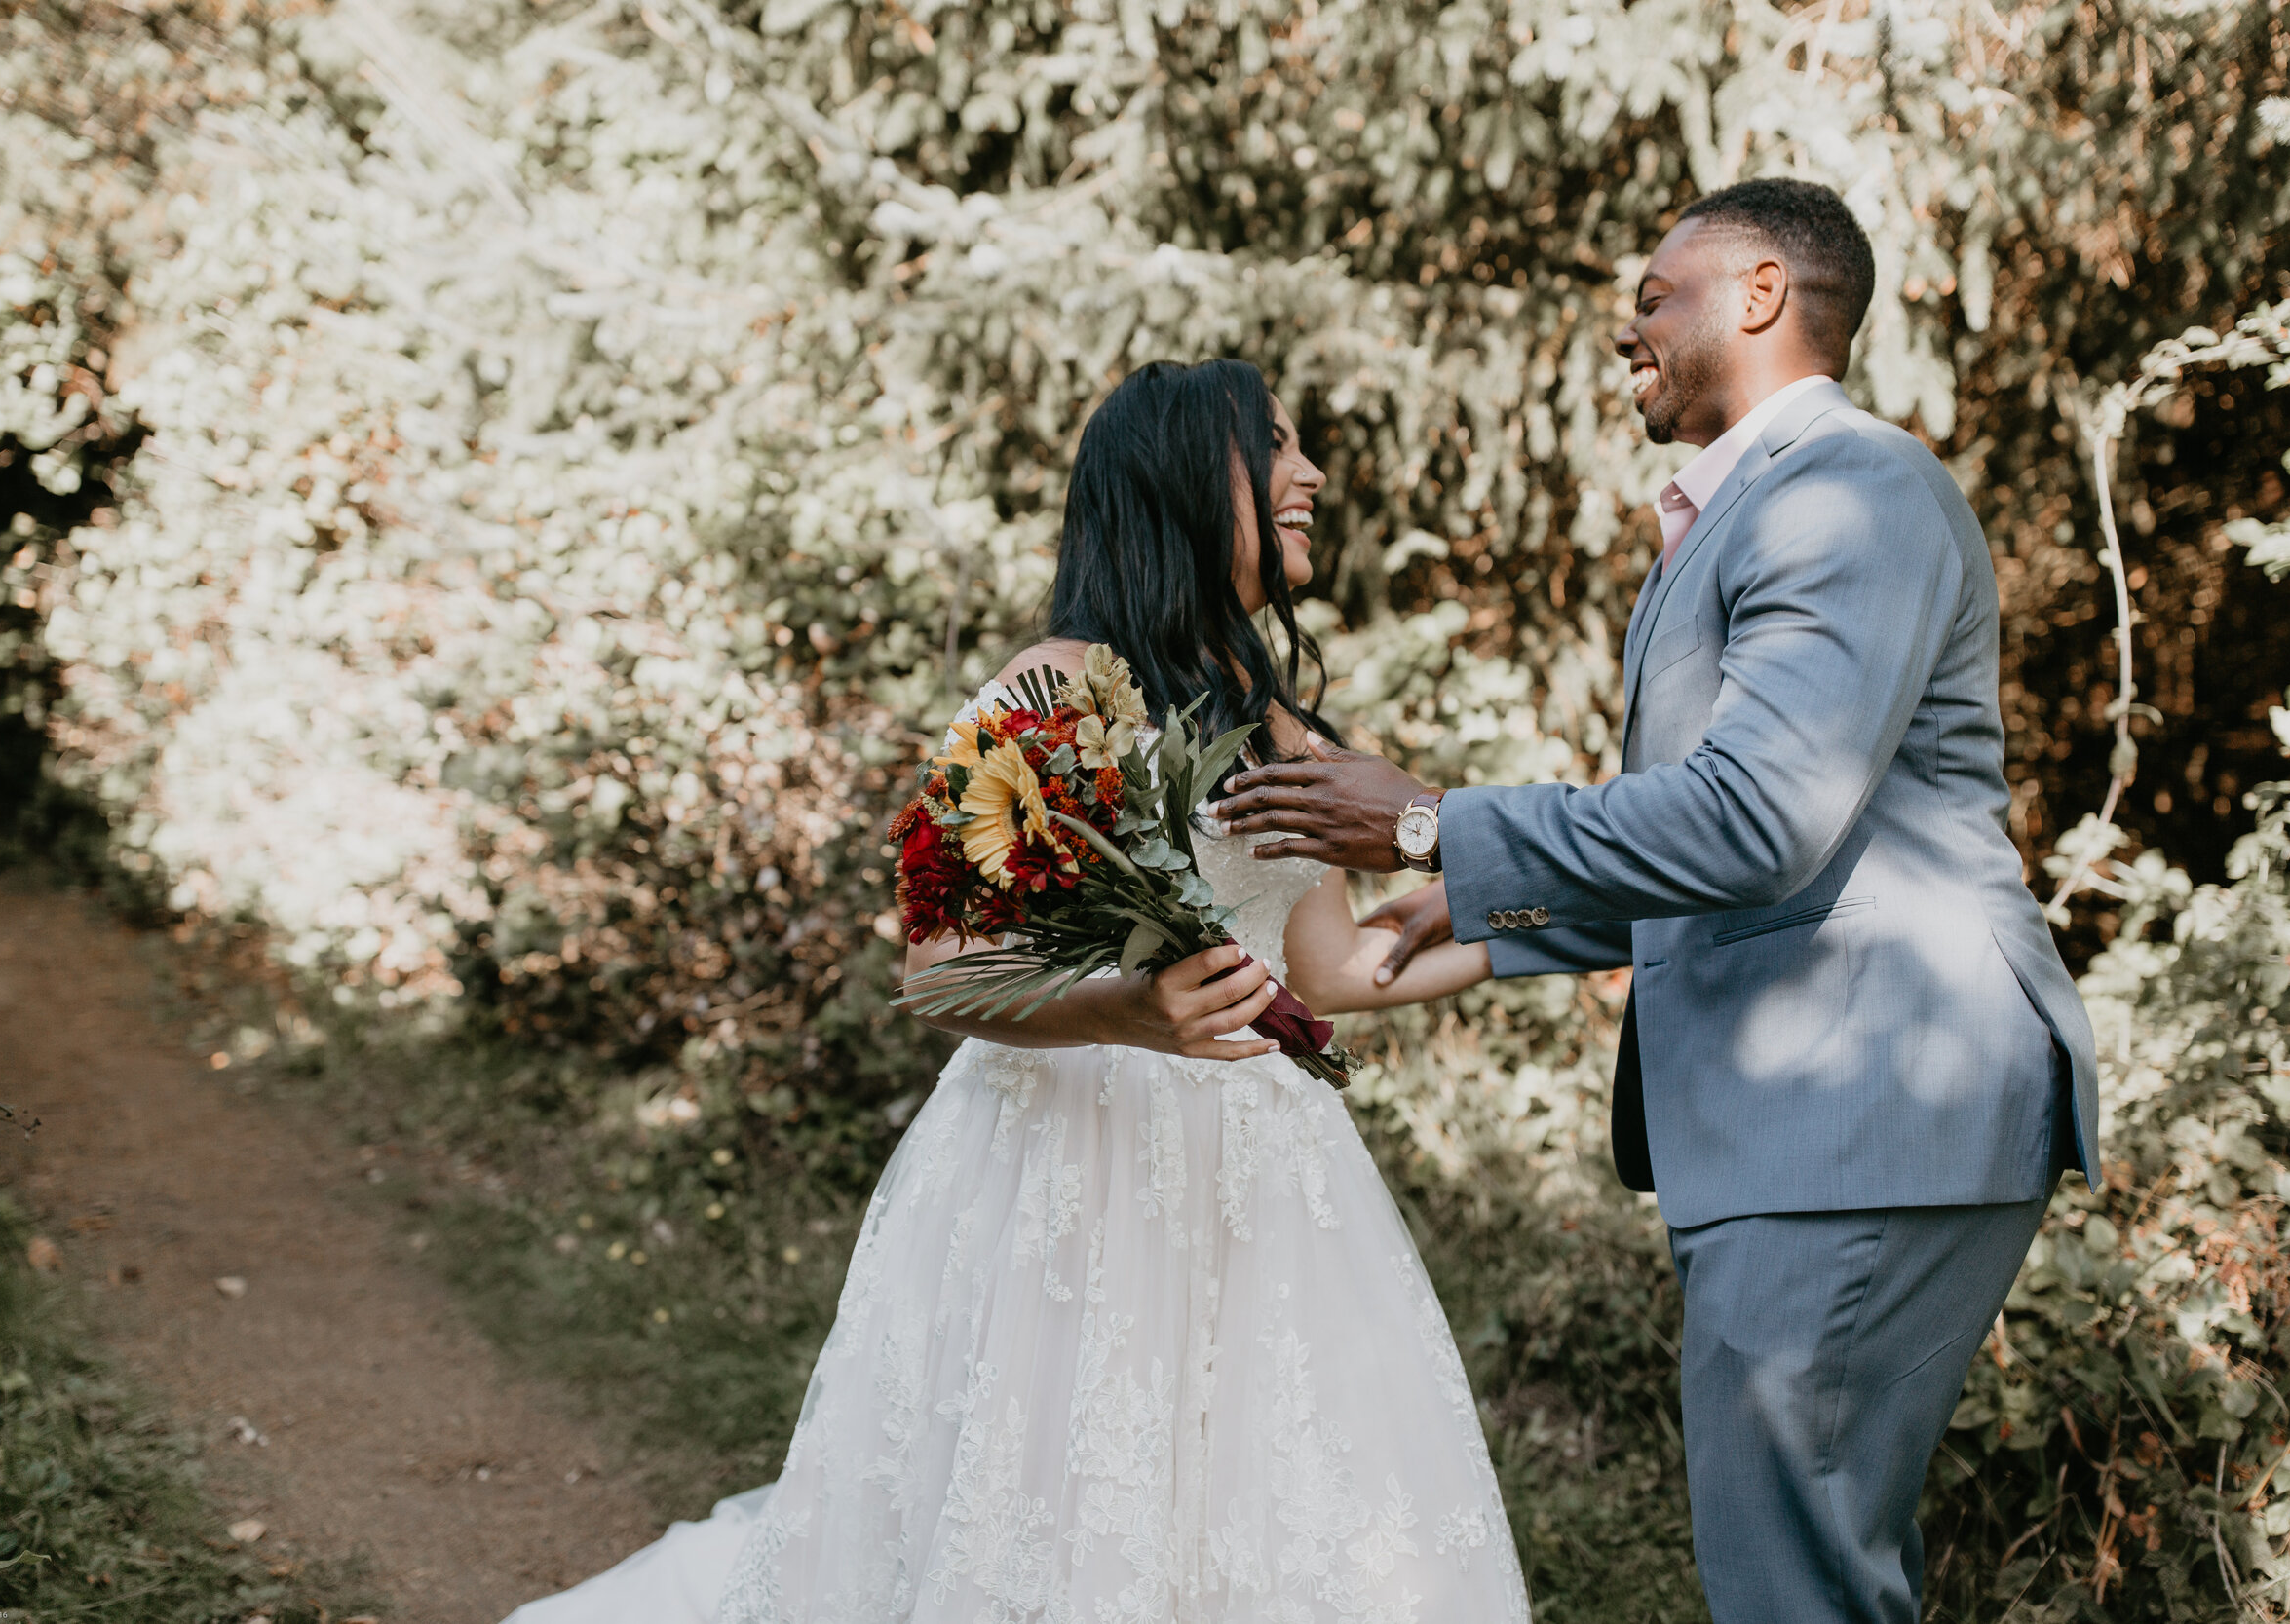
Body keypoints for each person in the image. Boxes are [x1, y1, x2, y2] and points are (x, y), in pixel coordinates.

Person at [503, 359, 1528, 1624]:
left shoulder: (1285, 731)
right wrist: (1130, 1013)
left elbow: (1332, 968)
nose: (1309, 472)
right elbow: (937, 969)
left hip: (1261, 1174)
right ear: (1174, 482)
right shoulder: (1041, 696)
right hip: (1068, 1164)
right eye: (1272, 444)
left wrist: (1553, 918)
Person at [1209, 178, 2102, 1624]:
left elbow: (1764, 817)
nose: (1627, 330)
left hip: (1859, 1109)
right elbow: (1780, 850)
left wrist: (1433, 826)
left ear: (1760, 293)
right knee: (1818, 1572)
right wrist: (1499, 911)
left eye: (1653, 295)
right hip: (1820, 1127)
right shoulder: (1749, 509)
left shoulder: (1846, 491)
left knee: (1790, 1587)